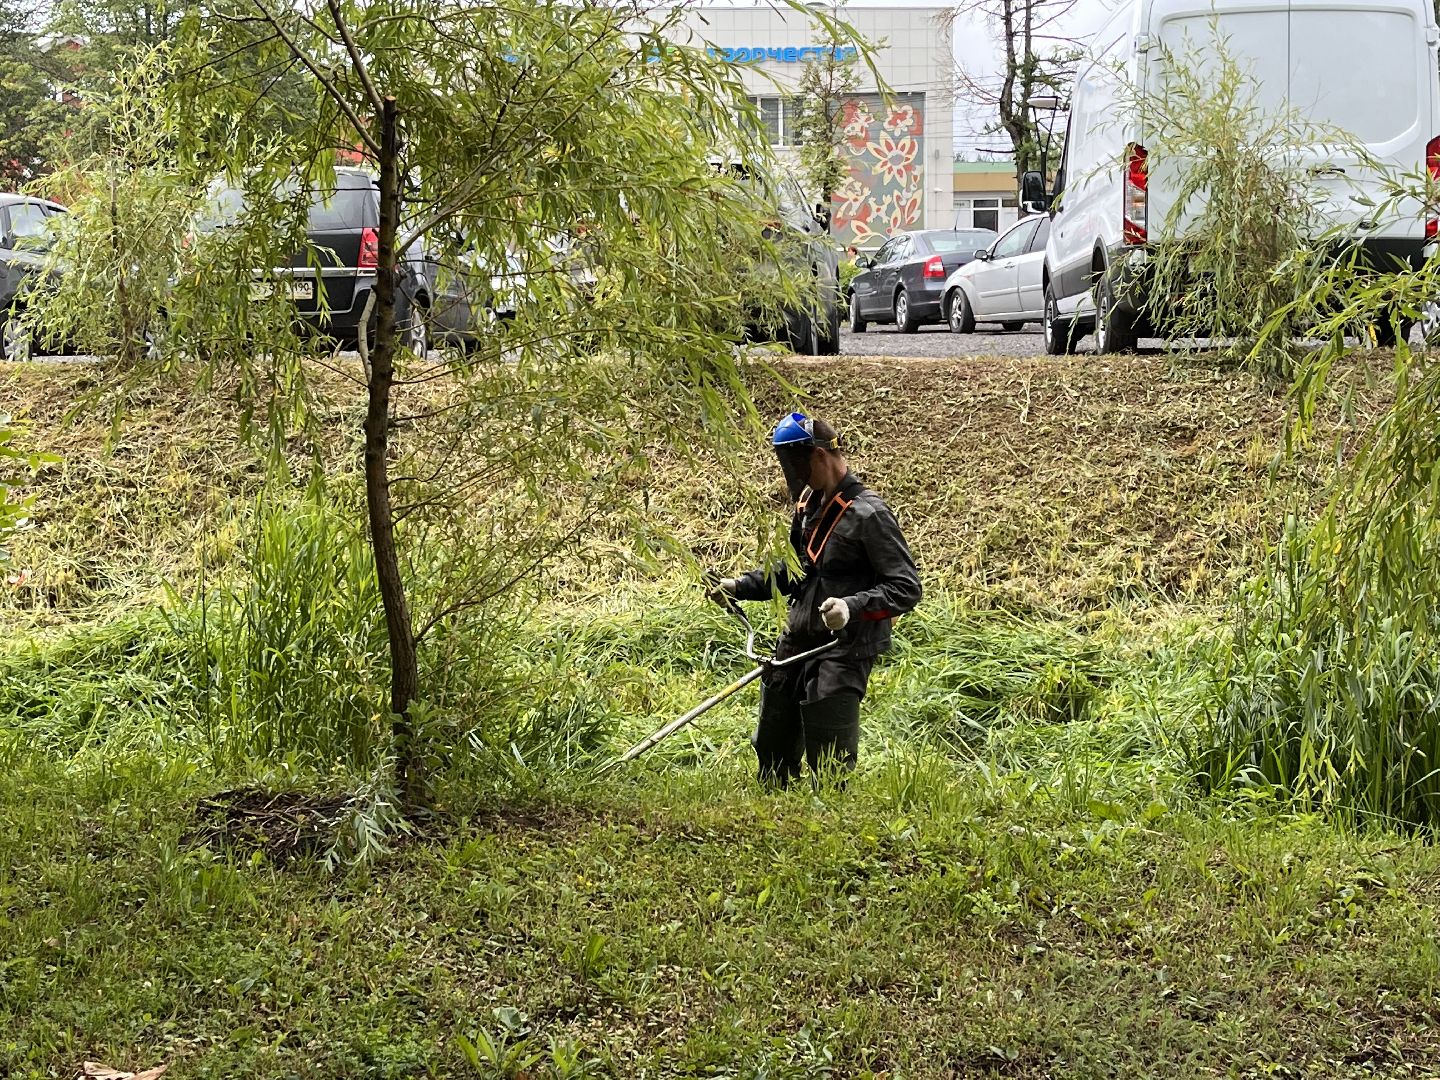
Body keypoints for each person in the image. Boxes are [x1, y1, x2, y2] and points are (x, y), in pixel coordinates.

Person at [710, 412, 921, 786]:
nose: (795, 476)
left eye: (797, 465)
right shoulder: (809, 508)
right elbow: (793, 572)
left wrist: (850, 608)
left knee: (830, 757)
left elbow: (906, 588)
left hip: (845, 645)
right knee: (773, 740)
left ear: (820, 457)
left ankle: (831, 817)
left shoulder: (869, 515)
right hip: (799, 635)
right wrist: (739, 585)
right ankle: (775, 809)